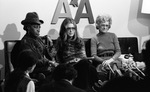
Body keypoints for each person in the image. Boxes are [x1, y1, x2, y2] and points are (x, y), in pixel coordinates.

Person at [55, 17, 100, 92]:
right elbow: (53, 55)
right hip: (68, 65)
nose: (71, 31)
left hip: (80, 63)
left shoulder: (80, 40)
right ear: (64, 29)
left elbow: (83, 56)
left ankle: (88, 88)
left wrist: (79, 60)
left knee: (87, 65)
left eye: (73, 28)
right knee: (88, 66)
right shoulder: (60, 41)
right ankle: (92, 87)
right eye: (68, 28)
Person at [11, 12, 57, 81]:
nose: (38, 30)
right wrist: (48, 62)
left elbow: (49, 54)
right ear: (28, 27)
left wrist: (51, 44)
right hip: (34, 71)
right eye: (35, 27)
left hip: (44, 68)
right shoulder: (25, 42)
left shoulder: (38, 39)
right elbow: (32, 60)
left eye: (39, 27)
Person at [91, 14, 122, 82]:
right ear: (98, 25)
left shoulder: (113, 35)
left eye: (107, 25)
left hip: (113, 60)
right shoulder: (94, 38)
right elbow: (94, 56)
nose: (105, 27)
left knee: (115, 68)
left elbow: (118, 51)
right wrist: (104, 61)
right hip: (102, 62)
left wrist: (110, 60)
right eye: (103, 25)